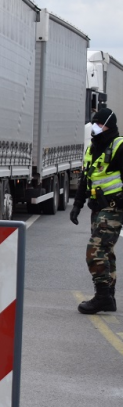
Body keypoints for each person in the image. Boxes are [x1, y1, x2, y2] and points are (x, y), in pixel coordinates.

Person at [69, 107, 120, 314]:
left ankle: (102, 297)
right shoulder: (92, 148)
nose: (96, 128)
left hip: (114, 208)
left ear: (109, 125)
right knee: (106, 253)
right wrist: (77, 206)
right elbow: (85, 180)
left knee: (95, 250)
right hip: (97, 209)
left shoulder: (119, 146)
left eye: (100, 124)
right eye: (94, 124)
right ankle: (109, 297)